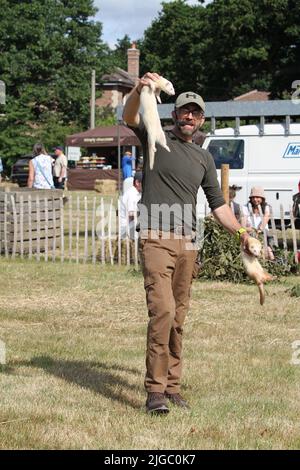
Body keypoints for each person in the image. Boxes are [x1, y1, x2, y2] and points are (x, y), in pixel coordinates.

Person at [123, 72, 250, 415]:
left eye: (195, 112)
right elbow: (129, 115)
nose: (189, 117)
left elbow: (219, 206)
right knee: (162, 312)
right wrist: (140, 88)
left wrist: (242, 233)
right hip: (156, 239)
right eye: (184, 111)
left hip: (189, 245)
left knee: (178, 318)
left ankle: (173, 385)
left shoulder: (204, 159)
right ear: (174, 114)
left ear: (202, 118)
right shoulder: (155, 137)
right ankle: (155, 393)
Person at [241, 186, 275, 260]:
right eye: (253, 197)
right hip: (249, 231)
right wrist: (248, 229)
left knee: (268, 245)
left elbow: (266, 217)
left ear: (262, 198)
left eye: (258, 197)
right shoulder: (246, 207)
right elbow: (243, 221)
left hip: (263, 231)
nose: (255, 199)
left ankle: (272, 259)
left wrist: (259, 229)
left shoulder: (266, 207)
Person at [120, 171, 142, 239]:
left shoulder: (137, 193)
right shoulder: (131, 194)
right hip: (128, 229)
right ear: (137, 183)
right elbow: (131, 214)